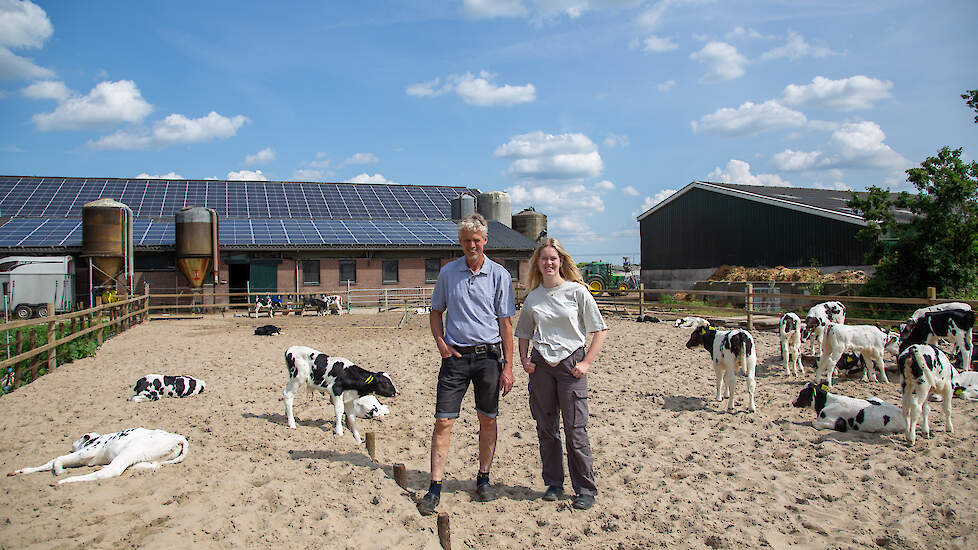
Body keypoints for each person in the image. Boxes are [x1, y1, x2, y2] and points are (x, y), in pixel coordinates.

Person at [417, 213, 515, 516]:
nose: (471, 245)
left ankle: (483, 478)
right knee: (444, 421)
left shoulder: (500, 275)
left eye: (477, 240)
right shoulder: (448, 273)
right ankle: (434, 486)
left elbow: (506, 324)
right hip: (455, 358)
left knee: (487, 419)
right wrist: (441, 344)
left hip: (488, 357)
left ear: (485, 240)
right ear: (460, 242)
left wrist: (508, 366)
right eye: (466, 241)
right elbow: (436, 312)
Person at [514, 238, 608, 510]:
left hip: (571, 366)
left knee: (575, 430)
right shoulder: (533, 297)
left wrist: (587, 362)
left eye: (553, 258)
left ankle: (585, 489)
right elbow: (523, 332)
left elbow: (599, 330)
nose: (549, 263)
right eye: (544, 258)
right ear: (538, 264)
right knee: (547, 429)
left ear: (562, 261)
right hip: (542, 366)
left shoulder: (577, 292)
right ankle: (554, 483)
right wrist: (524, 359)